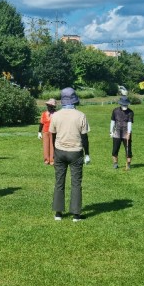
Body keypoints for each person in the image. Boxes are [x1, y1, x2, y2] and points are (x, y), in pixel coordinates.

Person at [49, 87, 90, 222]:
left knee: (59, 181)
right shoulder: (80, 115)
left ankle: (58, 213)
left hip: (59, 151)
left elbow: (53, 135)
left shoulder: (56, 115)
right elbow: (84, 137)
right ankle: (76, 214)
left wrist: (55, 150)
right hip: (76, 152)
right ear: (74, 100)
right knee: (76, 183)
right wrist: (87, 154)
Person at [110, 95, 133, 170]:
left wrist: (128, 133)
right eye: (124, 104)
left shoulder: (130, 112)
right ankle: (115, 163)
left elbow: (129, 123)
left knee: (128, 150)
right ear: (121, 104)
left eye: (126, 104)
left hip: (126, 133)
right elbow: (112, 121)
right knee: (115, 150)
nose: (125, 106)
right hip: (116, 133)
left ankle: (128, 164)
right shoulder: (115, 111)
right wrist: (111, 131)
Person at [38, 98, 56, 165]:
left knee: (52, 146)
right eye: (48, 105)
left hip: (54, 132)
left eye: (50, 106)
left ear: (53, 106)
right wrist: (39, 132)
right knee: (46, 146)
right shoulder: (44, 114)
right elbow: (41, 123)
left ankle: (52, 161)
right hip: (45, 132)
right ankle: (46, 160)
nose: (48, 107)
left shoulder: (56, 114)